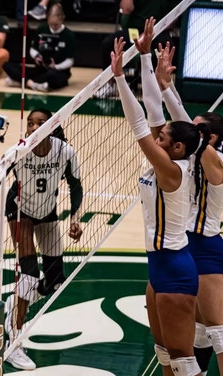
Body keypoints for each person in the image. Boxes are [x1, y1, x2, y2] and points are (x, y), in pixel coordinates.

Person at [113, 19, 205, 375]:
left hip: (175, 267)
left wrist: (121, 78)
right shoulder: (173, 158)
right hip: (159, 265)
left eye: (163, 137)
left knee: (183, 358)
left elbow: (139, 125)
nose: (157, 136)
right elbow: (152, 111)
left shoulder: (173, 171)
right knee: (165, 353)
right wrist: (144, 57)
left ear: (177, 147)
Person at [0, 107, 82, 370]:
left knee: (55, 281)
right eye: (30, 123)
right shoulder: (18, 151)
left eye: (41, 122)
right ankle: (15, 340)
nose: (35, 127)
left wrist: (75, 219)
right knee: (28, 276)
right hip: (19, 211)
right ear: (26, 128)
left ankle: (17, 302)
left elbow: (76, 186)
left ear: (51, 126)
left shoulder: (65, 151)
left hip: (48, 212)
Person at [154, 41, 223, 376]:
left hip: (206, 247)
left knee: (219, 331)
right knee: (189, 336)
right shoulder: (190, 158)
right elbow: (171, 126)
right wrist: (164, 87)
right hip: (183, 244)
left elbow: (182, 126)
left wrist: (168, 91)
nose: (191, 132)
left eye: (199, 130)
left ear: (209, 138)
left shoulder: (218, 162)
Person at [93, 0, 176, 98]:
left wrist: (149, 32)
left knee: (166, 45)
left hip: (158, 31)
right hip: (134, 31)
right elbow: (126, 8)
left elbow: (172, 20)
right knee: (108, 43)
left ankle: (161, 88)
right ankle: (109, 85)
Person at [3, 3, 75, 92]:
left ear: (62, 19)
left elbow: (70, 61)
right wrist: (36, 56)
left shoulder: (69, 35)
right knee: (7, 65)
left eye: (56, 24)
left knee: (53, 77)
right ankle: (32, 84)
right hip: (40, 69)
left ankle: (21, 82)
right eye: (51, 24)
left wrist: (56, 66)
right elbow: (33, 49)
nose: (53, 27)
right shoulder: (42, 29)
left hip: (57, 71)